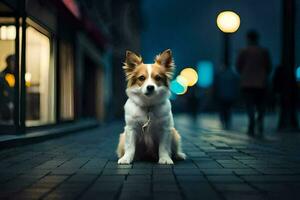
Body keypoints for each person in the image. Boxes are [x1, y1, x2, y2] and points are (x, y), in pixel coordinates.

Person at [236, 30, 271, 136]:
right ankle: (260, 122)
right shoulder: (263, 51)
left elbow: (238, 66)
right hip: (261, 82)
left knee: (249, 105)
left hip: (247, 83)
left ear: (248, 38)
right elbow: (268, 66)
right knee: (261, 105)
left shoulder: (243, 51)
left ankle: (251, 123)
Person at [214, 65, 239, 129]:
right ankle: (227, 120)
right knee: (228, 108)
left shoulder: (219, 75)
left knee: (223, 108)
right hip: (230, 95)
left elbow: (216, 86)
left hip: (221, 95)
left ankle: (223, 120)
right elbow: (236, 85)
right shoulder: (233, 75)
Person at [0, 54, 15, 123]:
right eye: (12, 61)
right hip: (4, 107)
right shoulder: (2, 75)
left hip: (15, 107)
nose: (14, 64)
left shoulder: (17, 76)